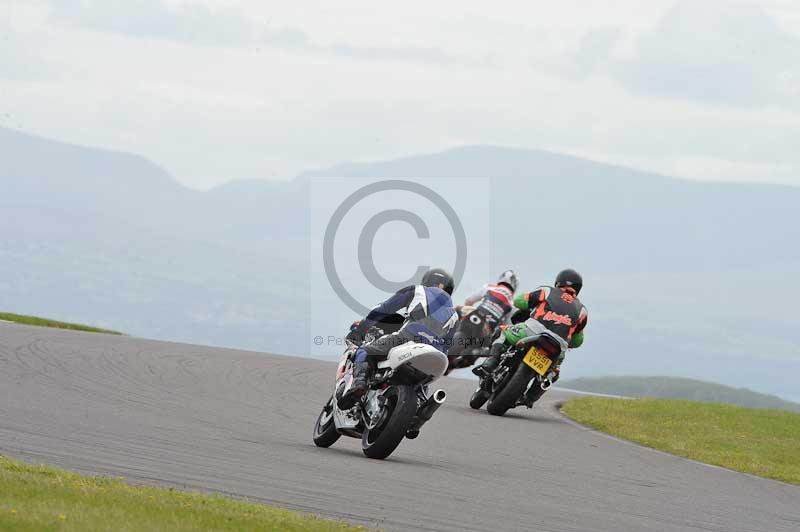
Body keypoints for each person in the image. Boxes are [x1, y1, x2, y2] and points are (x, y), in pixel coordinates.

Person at [338, 268, 458, 409]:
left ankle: (359, 384)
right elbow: (446, 346)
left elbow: (383, 309)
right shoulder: (454, 315)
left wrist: (361, 329)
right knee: (423, 384)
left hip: (408, 337)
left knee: (365, 351)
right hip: (436, 354)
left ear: (427, 281)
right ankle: (420, 413)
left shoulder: (417, 290)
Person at [473, 269, 588, 386]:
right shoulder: (582, 311)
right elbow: (578, 341)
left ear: (558, 282)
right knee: (553, 373)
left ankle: (491, 362)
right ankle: (532, 395)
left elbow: (519, 301)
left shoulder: (547, 291)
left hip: (532, 331)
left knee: (501, 332)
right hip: (558, 346)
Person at [446, 270, 519, 372]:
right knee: (477, 354)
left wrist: (464, 313)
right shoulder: (512, 304)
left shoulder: (489, 287)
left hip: (473, 317)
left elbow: (469, 300)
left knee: (454, 312)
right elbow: (506, 326)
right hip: (487, 330)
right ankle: (451, 367)